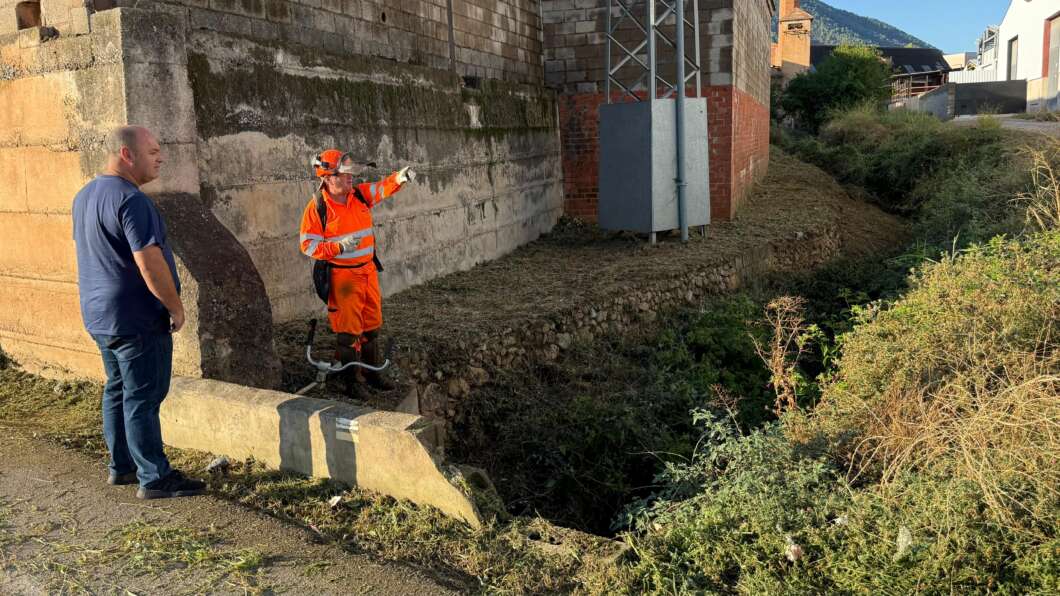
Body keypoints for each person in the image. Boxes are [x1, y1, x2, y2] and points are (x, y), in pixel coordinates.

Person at [72, 126, 206, 500]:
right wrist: (175, 307)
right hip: (135, 316)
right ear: (126, 154)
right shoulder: (132, 201)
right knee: (144, 396)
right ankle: (155, 477)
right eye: (153, 151)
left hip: (99, 315)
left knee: (117, 388)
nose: (160, 157)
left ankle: (123, 466)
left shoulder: (85, 196)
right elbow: (149, 262)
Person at [299, 150, 415, 399]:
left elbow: (382, 188)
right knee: (349, 332)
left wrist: (399, 178)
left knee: (371, 327)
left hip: (367, 271)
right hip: (343, 278)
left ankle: (372, 374)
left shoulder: (359, 195)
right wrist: (338, 247)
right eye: (345, 175)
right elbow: (308, 245)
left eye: (352, 175)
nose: (351, 179)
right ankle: (351, 382)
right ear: (329, 178)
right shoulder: (317, 207)